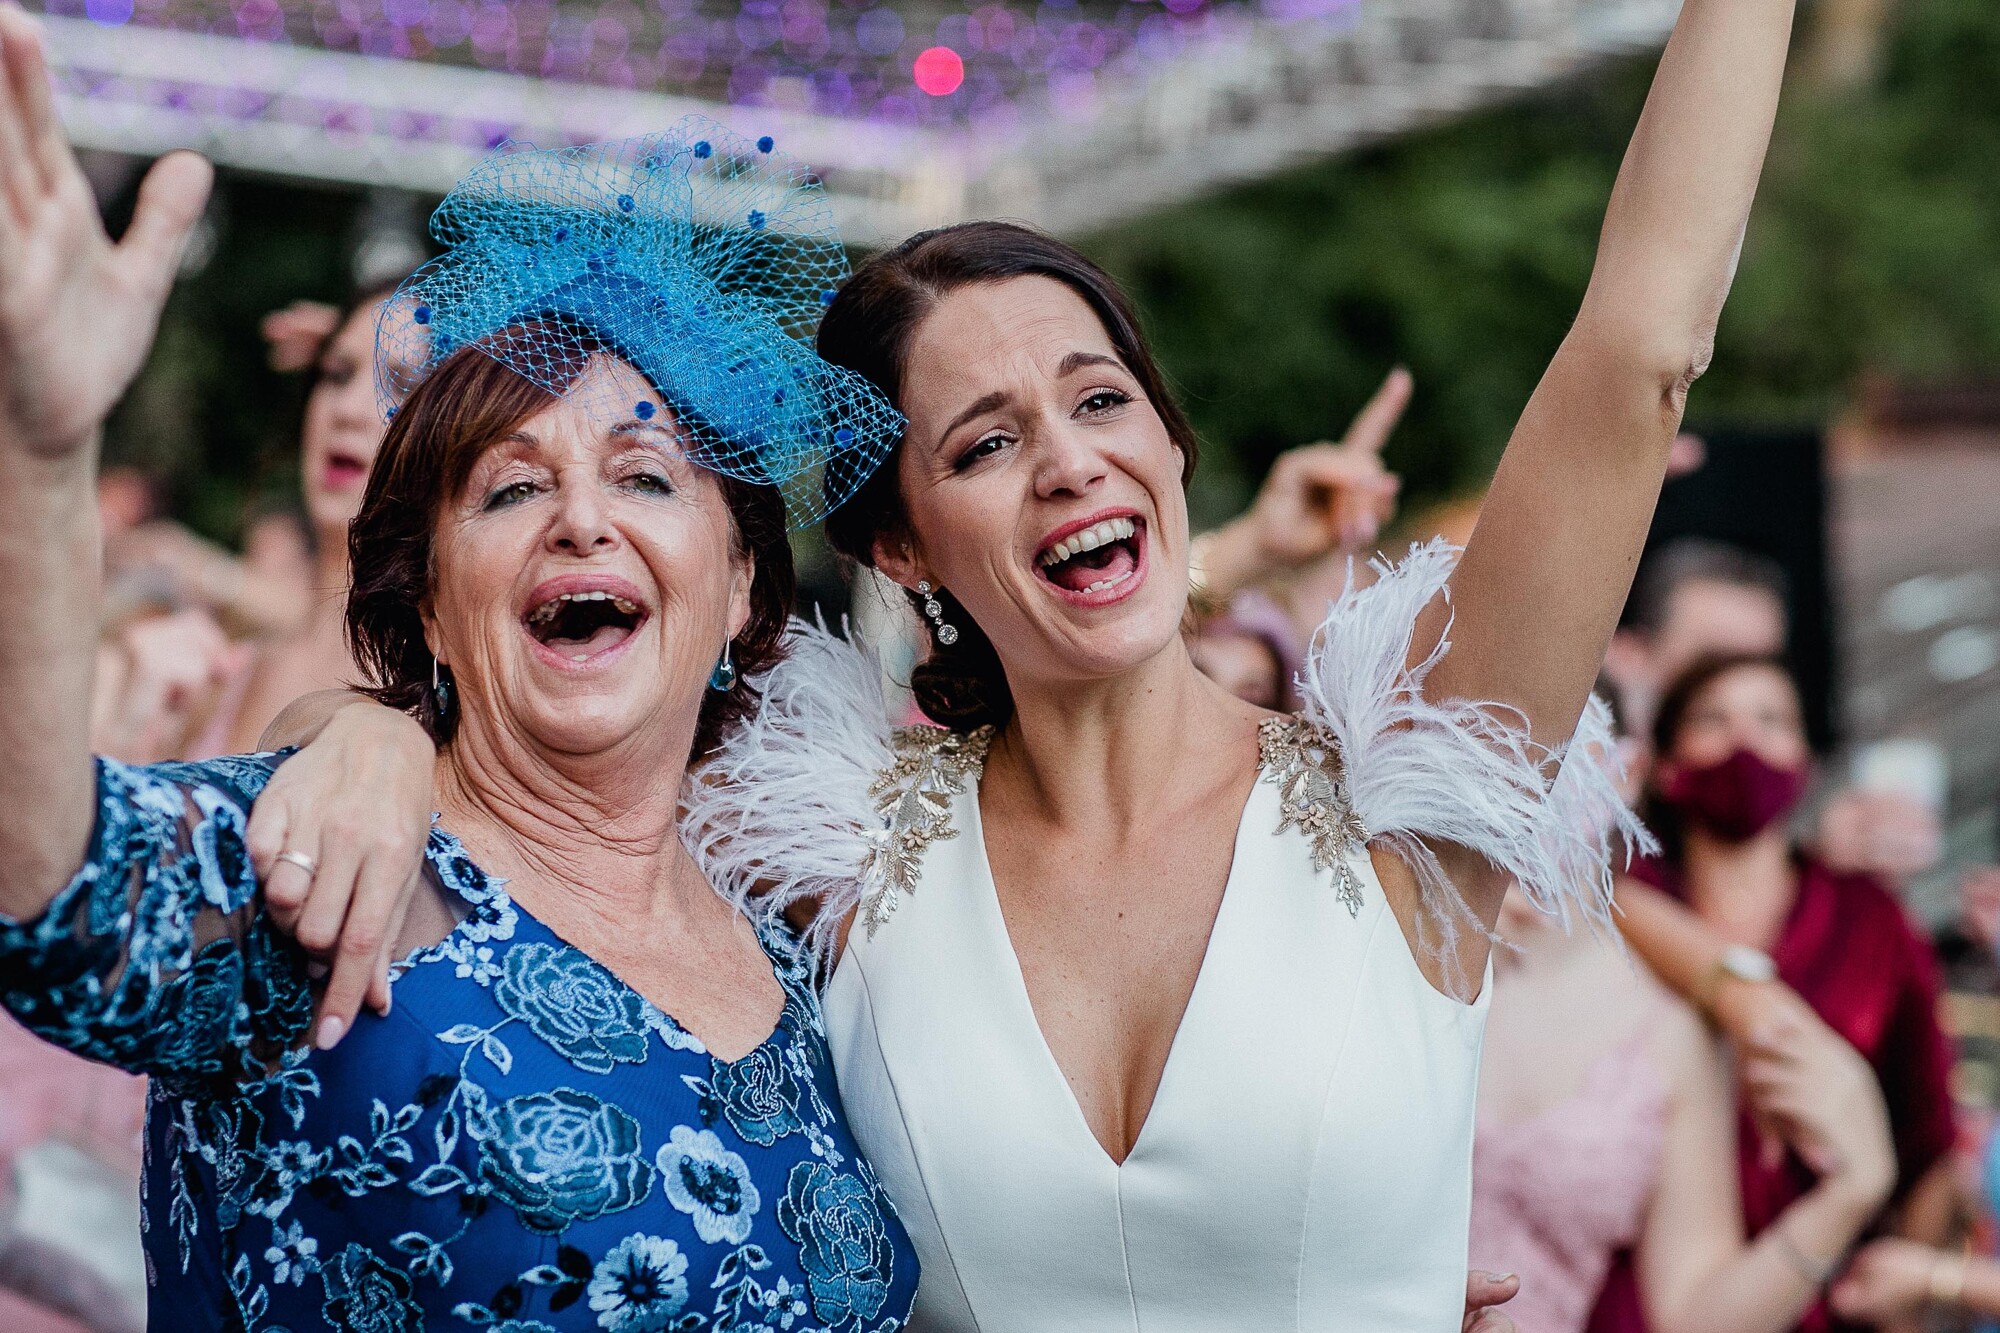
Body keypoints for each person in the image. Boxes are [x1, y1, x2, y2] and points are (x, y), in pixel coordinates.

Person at [264, 0, 1800, 1318]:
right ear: (904, 547)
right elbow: (526, 729)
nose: (1068, 463)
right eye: (988, 443)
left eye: (1101, 400)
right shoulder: (821, 850)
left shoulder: (1414, 793)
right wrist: (366, 735)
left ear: (1173, 451)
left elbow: (1643, 343)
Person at [0, 33, 918, 1331]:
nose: (582, 520)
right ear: (429, 598)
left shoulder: (802, 960)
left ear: (745, 592)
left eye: (646, 476)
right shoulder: (338, 870)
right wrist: (37, 459)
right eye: (511, 486)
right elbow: (46, 886)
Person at [1608, 653, 1959, 1332]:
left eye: (1772, 720)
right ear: (1668, 764)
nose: (1746, 742)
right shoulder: (1620, 901)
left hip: (1824, 1301)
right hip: (1639, 1300)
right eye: (1714, 717)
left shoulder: (1870, 918)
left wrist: (1910, 1283)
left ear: (1803, 762)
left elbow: (1928, 1136)